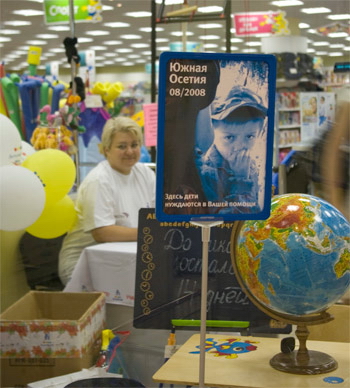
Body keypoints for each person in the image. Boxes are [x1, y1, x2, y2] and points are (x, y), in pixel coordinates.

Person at [58, 116, 155, 285]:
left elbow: (157, 215)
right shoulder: (99, 180)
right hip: (83, 266)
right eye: (121, 146)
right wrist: (151, 233)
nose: (130, 151)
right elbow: (103, 233)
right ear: (106, 149)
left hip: (124, 258)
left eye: (134, 145)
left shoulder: (145, 174)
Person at [198, 86, 267, 213]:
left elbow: (256, 211)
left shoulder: (250, 166)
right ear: (213, 133)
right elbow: (224, 220)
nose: (240, 146)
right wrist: (240, 180)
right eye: (229, 137)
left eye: (250, 136)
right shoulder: (207, 172)